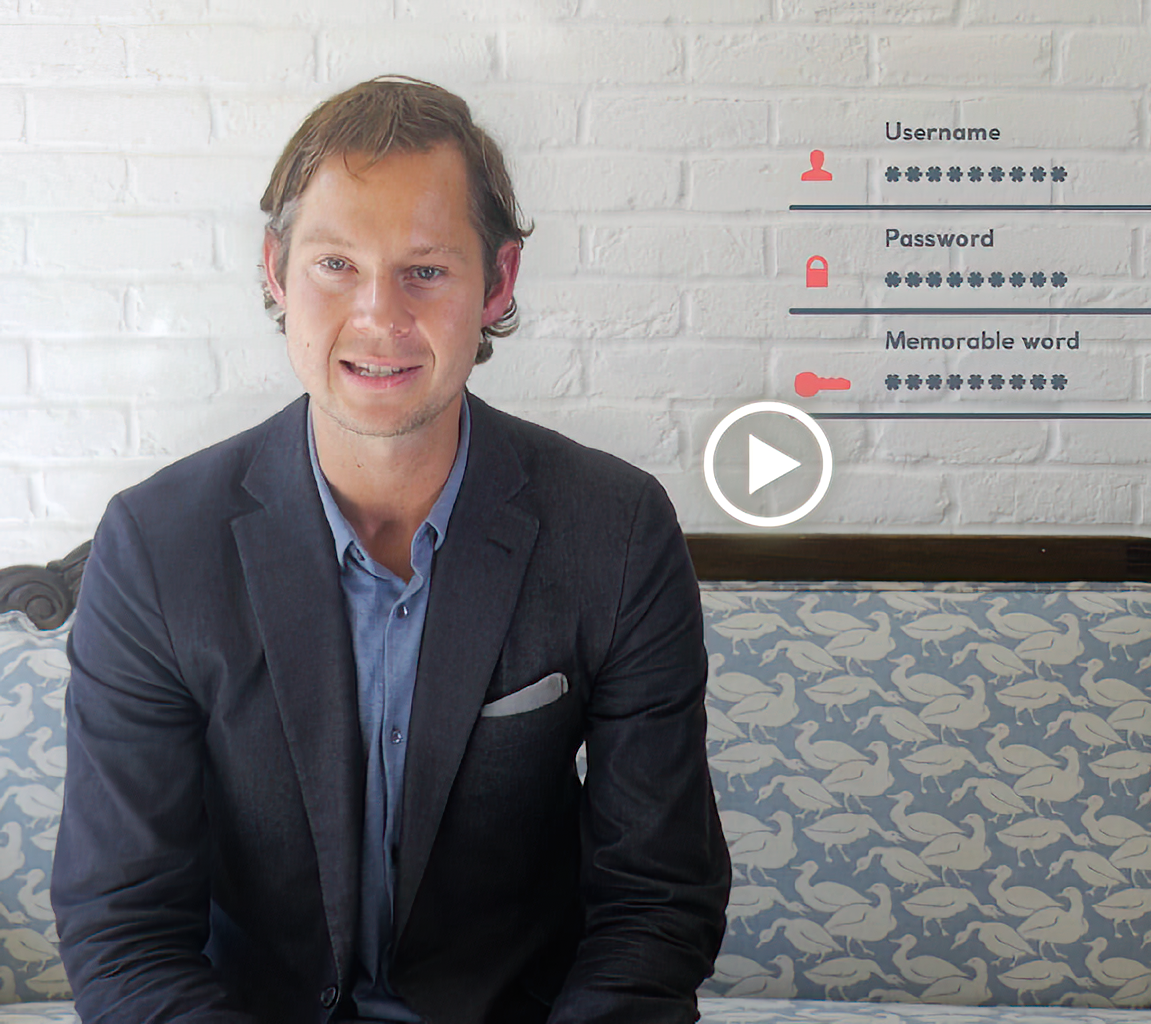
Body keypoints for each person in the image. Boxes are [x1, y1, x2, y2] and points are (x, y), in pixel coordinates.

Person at [53, 76, 730, 1024]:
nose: (377, 316)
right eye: (336, 265)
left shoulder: (615, 532)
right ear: (275, 272)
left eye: (425, 271)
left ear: (497, 284)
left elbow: (656, 905)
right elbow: (123, 929)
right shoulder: (156, 545)